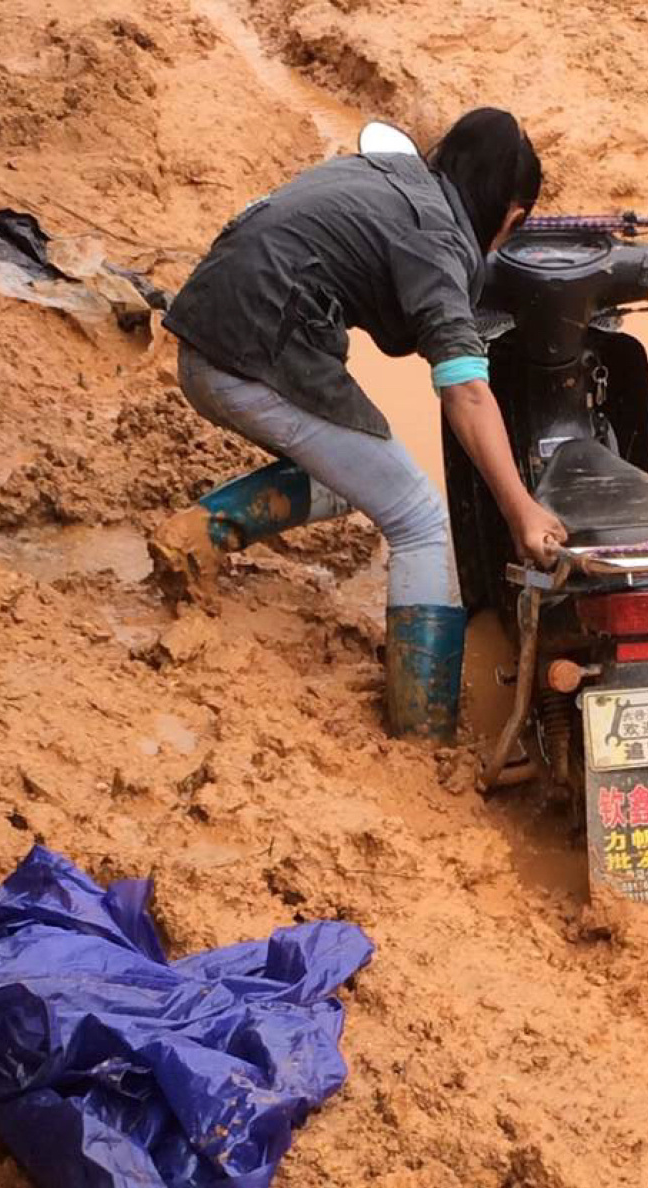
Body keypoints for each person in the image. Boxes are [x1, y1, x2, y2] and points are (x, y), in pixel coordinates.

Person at [162, 107, 567, 739]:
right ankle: (423, 732)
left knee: (355, 476)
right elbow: (465, 393)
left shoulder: (388, 172)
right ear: (511, 218)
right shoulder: (439, 241)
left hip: (201, 345)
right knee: (420, 522)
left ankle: (194, 537)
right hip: (254, 359)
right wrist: (522, 512)